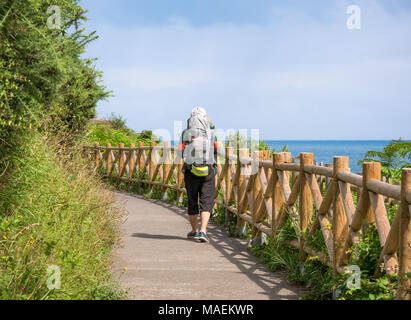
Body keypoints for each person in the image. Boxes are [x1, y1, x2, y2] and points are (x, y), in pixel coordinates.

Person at [178, 107, 218, 243]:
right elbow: (218, 150)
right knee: (206, 201)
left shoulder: (185, 132)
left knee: (192, 200)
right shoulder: (211, 132)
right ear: (205, 118)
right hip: (208, 170)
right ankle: (203, 231)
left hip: (191, 170)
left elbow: (180, 153)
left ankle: (194, 231)